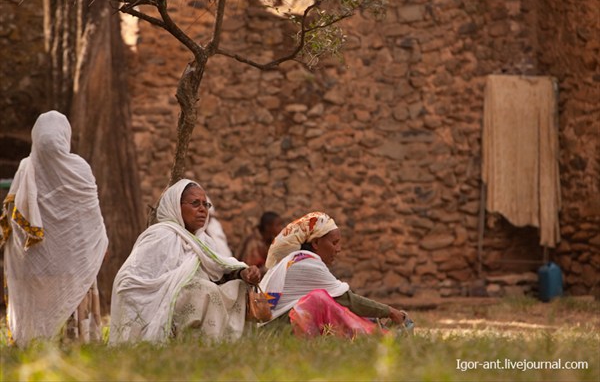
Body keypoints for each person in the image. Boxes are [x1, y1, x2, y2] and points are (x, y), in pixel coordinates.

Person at [0, 110, 108, 346]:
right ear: (65, 135)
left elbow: (12, 224)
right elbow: (91, 222)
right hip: (73, 262)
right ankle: (77, 340)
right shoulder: (78, 167)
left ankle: (33, 341)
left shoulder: (25, 169)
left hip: (37, 265)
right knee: (75, 283)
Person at [109, 179, 261, 344]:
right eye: (195, 203)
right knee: (206, 290)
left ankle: (228, 344)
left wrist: (242, 273)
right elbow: (128, 280)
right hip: (166, 302)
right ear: (176, 206)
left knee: (237, 287)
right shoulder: (160, 235)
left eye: (206, 205)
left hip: (198, 298)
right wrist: (171, 287)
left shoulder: (205, 241)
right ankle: (207, 344)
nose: (202, 210)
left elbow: (217, 272)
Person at [260, 212, 410, 338]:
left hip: (276, 327)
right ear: (316, 243)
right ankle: (378, 335)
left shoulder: (298, 260)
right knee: (320, 300)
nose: (338, 249)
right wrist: (389, 311)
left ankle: (375, 330)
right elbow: (348, 300)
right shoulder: (306, 264)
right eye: (334, 243)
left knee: (330, 301)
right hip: (276, 332)